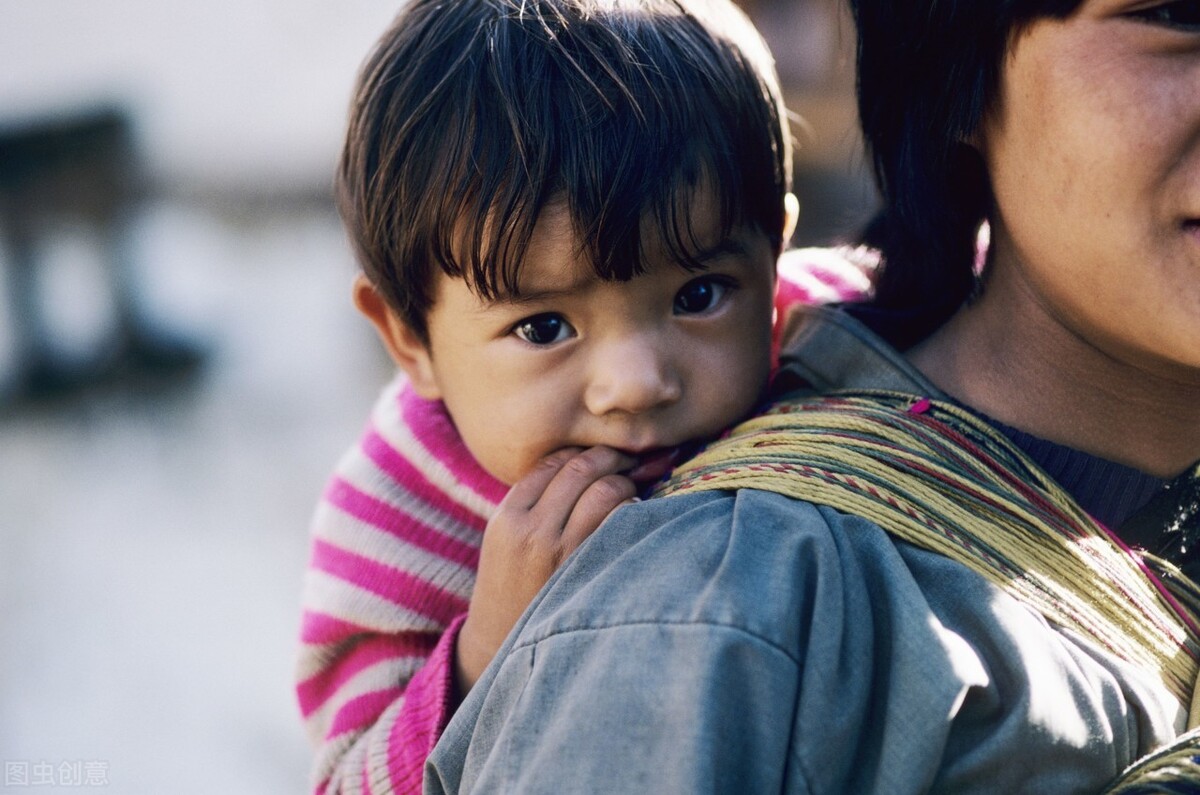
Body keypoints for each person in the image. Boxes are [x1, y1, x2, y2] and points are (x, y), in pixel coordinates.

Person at [423, 0, 1200, 792]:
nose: (634, 385)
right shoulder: (722, 607)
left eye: (698, 293)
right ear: (956, 69)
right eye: (1179, 16)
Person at [293, 1, 870, 792]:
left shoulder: (814, 328)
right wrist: (482, 649)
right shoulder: (399, 510)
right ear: (409, 341)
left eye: (698, 294)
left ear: (774, 251)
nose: (636, 382)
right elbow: (344, 778)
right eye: (544, 327)